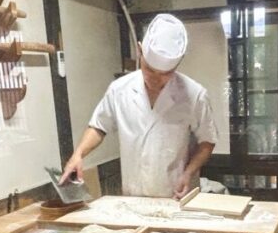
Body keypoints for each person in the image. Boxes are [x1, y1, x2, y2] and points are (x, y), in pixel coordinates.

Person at [60, 13, 217, 199]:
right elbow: (99, 126)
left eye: (165, 74)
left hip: (174, 196)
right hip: (132, 197)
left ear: (179, 63)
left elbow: (207, 141)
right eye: (149, 69)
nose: (156, 79)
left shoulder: (195, 95)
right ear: (139, 50)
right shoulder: (119, 90)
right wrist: (78, 155)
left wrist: (188, 173)